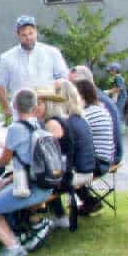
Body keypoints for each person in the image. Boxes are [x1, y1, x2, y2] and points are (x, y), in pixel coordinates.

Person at [0, 89, 56, 256]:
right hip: (42, 183)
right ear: (34, 107)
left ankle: (13, 247)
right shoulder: (37, 124)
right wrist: (6, 180)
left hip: (28, 188)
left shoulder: (15, 128)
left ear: (15, 106)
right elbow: (27, 160)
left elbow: (4, 160)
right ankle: (11, 242)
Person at [40, 79, 95, 231]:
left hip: (80, 172)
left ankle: (57, 216)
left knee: (47, 175)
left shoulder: (60, 122)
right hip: (88, 168)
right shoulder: (78, 117)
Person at [0, 15, 70, 114]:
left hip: (48, 109)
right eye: (24, 35)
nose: (28, 37)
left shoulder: (52, 52)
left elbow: (65, 78)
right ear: (18, 35)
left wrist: (56, 95)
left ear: (36, 32)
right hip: (21, 111)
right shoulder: (7, 58)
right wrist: (6, 108)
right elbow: (0, 83)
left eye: (31, 33)